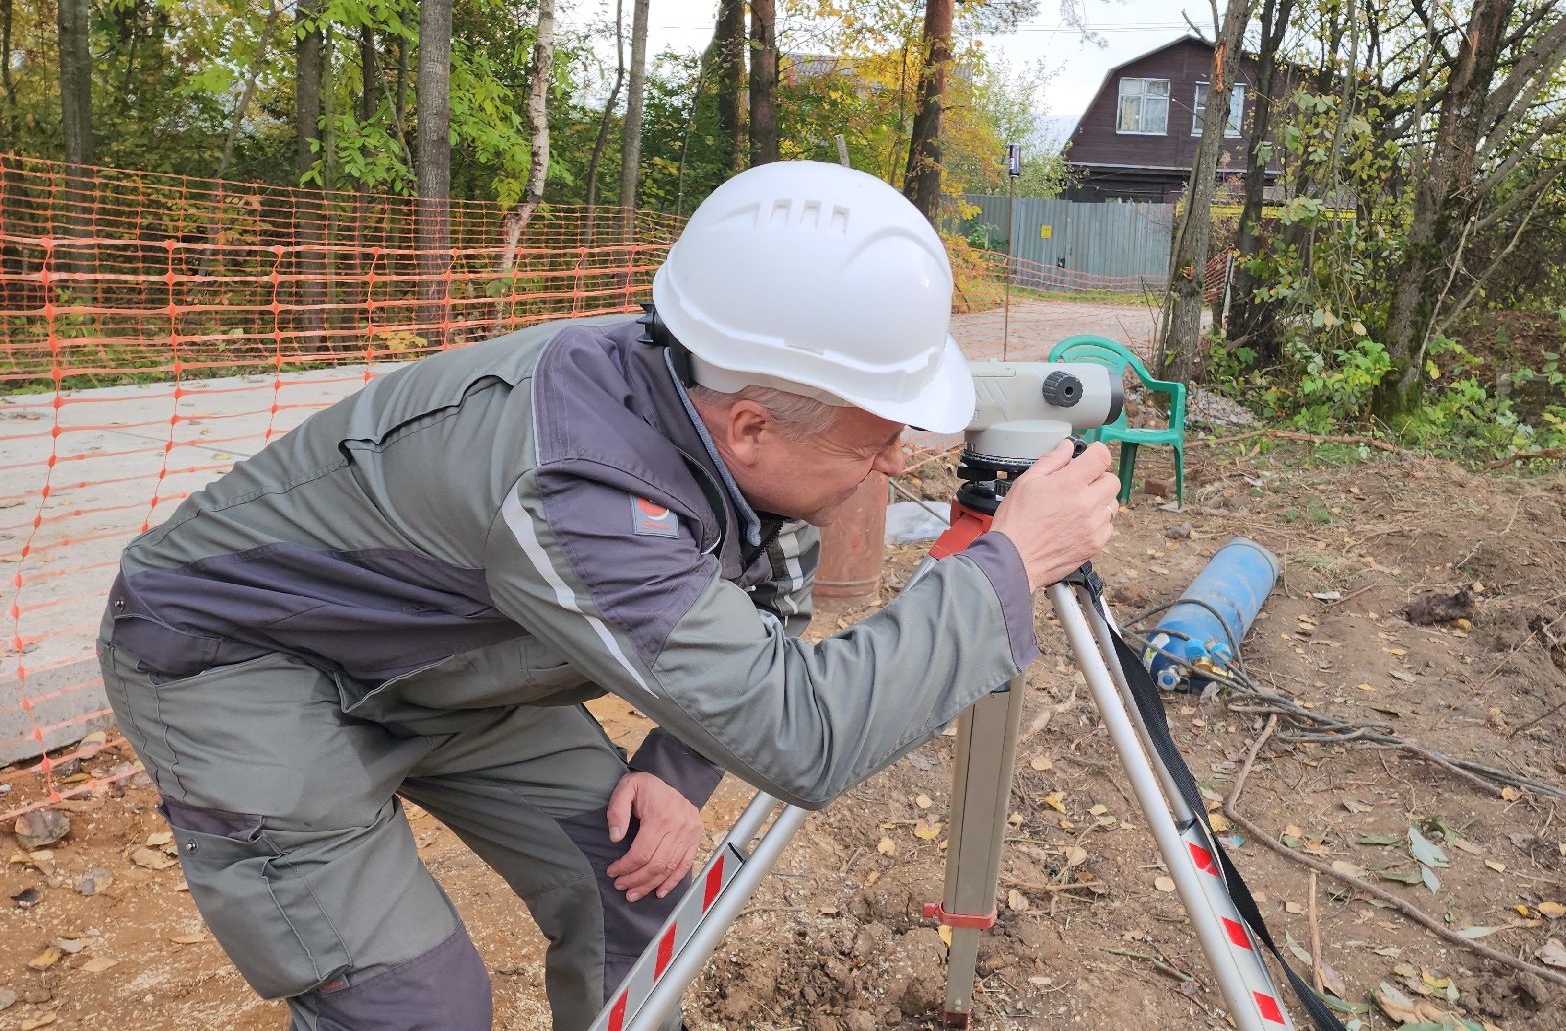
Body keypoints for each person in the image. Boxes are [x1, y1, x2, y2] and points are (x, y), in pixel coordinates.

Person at [96, 160, 1121, 1030]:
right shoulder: (582, 488)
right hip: (243, 664)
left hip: (447, 655)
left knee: (635, 884)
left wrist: (680, 763)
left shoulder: (707, 391)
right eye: (876, 436)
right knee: (417, 1003)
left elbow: (770, 586)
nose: (895, 464)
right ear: (754, 426)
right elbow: (798, 735)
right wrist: (1010, 565)